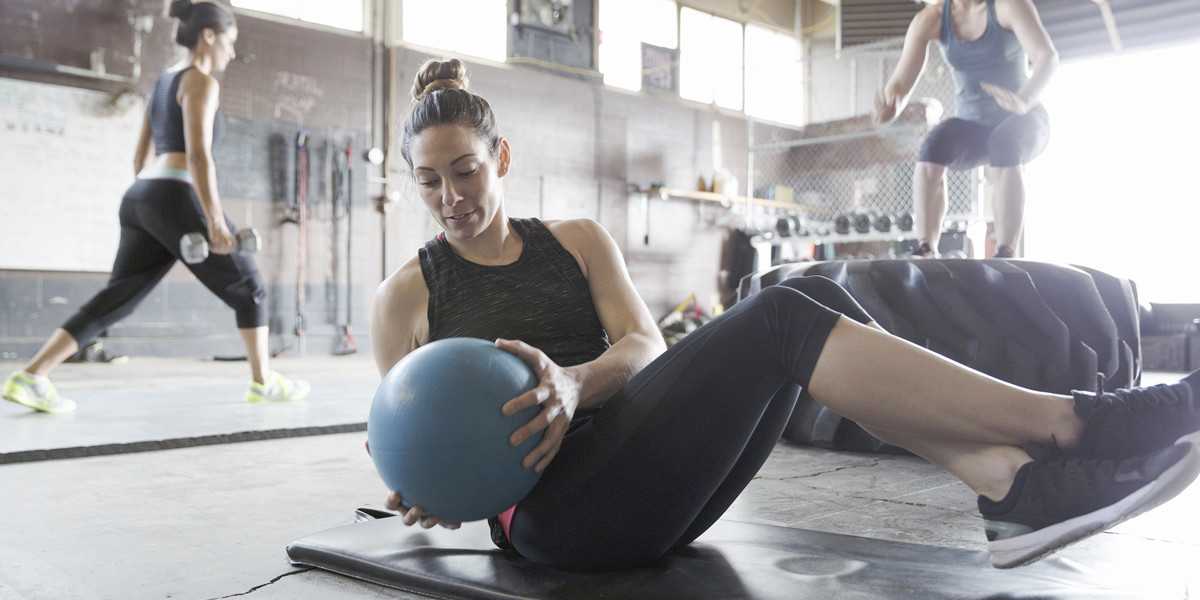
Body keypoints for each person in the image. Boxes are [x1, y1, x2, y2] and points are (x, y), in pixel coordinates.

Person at [369, 58, 1200, 571]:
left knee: (814, 299)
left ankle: (1002, 480)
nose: (451, 197)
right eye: (430, 181)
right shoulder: (406, 295)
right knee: (778, 317)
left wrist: (576, 382)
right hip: (554, 521)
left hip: (647, 469)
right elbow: (411, 451)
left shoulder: (578, 240)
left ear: (501, 158)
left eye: (467, 172)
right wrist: (431, 487)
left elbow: (646, 345)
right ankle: (1077, 425)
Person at [2, 0, 308, 414]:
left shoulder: (163, 80)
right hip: (176, 193)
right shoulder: (201, 82)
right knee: (250, 285)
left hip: (141, 195)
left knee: (119, 296)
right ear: (209, 36)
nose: (231, 54)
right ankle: (263, 381)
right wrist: (214, 220)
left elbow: (139, 155)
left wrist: (150, 208)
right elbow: (199, 155)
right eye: (230, 43)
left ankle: (32, 375)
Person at [873, 0, 1058, 258]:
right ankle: (926, 248)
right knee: (933, 146)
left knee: (1004, 142)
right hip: (974, 127)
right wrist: (891, 105)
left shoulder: (1007, 6)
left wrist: (1024, 99)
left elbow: (1047, 58)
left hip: (1025, 118)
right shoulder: (932, 18)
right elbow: (900, 85)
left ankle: (1006, 251)